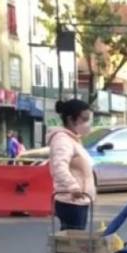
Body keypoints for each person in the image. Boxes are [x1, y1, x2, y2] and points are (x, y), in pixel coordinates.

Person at [48, 99, 96, 231]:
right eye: (84, 119)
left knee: (74, 245)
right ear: (70, 119)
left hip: (79, 200)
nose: (87, 124)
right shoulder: (62, 140)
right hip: (71, 201)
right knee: (72, 245)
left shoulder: (73, 139)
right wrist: (73, 187)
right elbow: (59, 167)